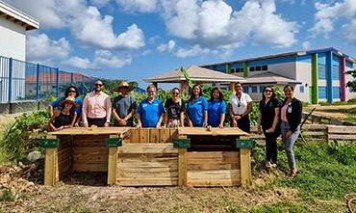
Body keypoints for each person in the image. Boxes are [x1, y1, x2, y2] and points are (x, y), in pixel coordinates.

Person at [280, 85, 302, 177]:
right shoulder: (285, 101)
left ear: (293, 91)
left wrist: (291, 130)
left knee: (288, 148)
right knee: (287, 147)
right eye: (286, 91)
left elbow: (298, 119)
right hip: (283, 126)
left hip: (292, 127)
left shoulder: (297, 103)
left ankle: (293, 169)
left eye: (289, 91)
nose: (287, 93)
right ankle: (291, 165)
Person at [257, 86, 281, 168]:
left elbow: (277, 115)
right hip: (265, 126)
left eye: (270, 91)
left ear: (272, 92)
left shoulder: (275, 101)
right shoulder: (262, 102)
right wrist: (258, 126)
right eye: (266, 90)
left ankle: (272, 161)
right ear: (263, 92)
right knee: (269, 142)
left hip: (274, 125)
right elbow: (260, 114)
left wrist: (273, 128)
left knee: (271, 142)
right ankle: (270, 161)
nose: (268, 92)